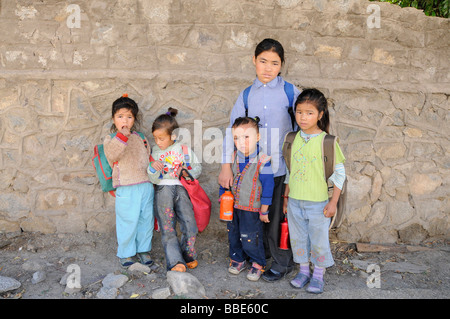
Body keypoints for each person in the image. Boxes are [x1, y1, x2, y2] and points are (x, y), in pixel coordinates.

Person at [219, 38, 300, 282]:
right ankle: (258, 258)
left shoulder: (290, 92)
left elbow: (301, 127)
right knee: (254, 216)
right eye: (263, 61)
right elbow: (230, 131)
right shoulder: (246, 95)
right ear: (254, 61)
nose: (267, 68)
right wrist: (226, 166)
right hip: (249, 171)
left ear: (281, 65)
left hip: (277, 168)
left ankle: (283, 263)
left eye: (274, 63)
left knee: (275, 216)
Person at [283, 88, 346, 294]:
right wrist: (286, 198)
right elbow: (289, 171)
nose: (303, 117)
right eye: (300, 112)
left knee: (318, 240)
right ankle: (303, 271)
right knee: (298, 238)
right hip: (294, 201)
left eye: (309, 113)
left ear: (320, 114)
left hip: (319, 203)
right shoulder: (292, 138)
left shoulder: (328, 142)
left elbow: (339, 175)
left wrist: (333, 203)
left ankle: (318, 275)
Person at [219, 116, 274, 281]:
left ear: (257, 137)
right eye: (236, 138)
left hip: (252, 209)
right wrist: (223, 196)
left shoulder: (263, 161)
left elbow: (268, 187)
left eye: (246, 137)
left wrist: (264, 209)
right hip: (233, 207)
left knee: (250, 237)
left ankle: (258, 262)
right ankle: (237, 259)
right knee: (233, 234)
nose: (241, 142)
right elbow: (226, 181)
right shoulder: (233, 157)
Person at [103, 94, 154, 268]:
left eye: (129, 116)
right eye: (120, 116)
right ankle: (126, 253)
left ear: (134, 119)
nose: (125, 120)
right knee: (127, 221)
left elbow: (148, 157)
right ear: (113, 119)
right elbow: (112, 155)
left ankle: (143, 250)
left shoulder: (141, 137)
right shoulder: (111, 139)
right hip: (125, 187)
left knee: (145, 219)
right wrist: (122, 137)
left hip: (145, 185)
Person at [147, 108, 201, 272]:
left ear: (173, 136)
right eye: (155, 138)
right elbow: (152, 178)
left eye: (161, 138)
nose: (158, 142)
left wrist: (185, 172)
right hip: (163, 191)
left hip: (182, 190)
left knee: (190, 223)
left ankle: (188, 253)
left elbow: (197, 168)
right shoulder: (154, 153)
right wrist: (152, 168)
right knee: (168, 227)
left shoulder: (183, 150)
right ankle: (174, 261)